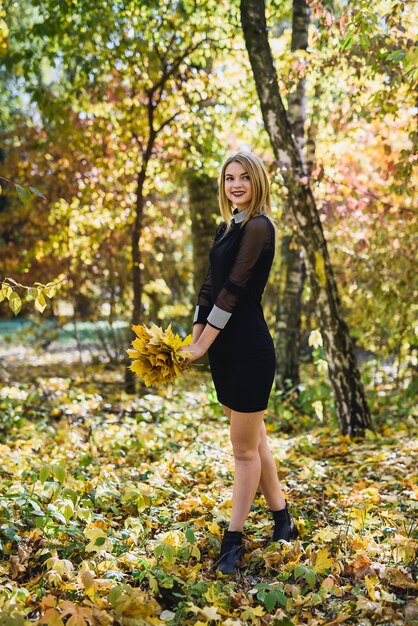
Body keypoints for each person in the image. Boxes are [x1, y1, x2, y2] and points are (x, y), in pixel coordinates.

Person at [182, 151, 298, 575]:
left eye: (244, 178)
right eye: (229, 177)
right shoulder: (228, 225)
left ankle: (233, 541)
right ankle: (283, 520)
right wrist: (195, 342)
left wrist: (201, 345)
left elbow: (232, 292)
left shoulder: (259, 227)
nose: (236, 184)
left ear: (258, 182)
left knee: (243, 451)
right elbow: (210, 286)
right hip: (223, 350)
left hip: (248, 348)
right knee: (255, 439)